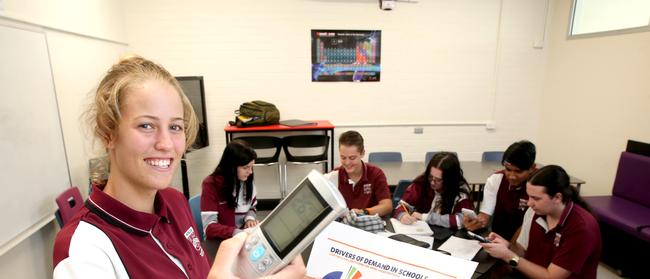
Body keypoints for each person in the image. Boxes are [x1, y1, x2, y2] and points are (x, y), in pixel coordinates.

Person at [53, 56, 304, 279]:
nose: (166, 144)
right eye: (146, 126)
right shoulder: (85, 250)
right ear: (108, 133)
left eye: (175, 127)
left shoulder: (174, 201)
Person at [480, 165, 601, 279]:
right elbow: (521, 251)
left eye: (536, 198)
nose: (529, 203)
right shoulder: (535, 212)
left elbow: (551, 276)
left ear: (557, 198)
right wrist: (506, 245)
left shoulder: (581, 229)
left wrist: (507, 255)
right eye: (529, 196)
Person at [463, 140, 536, 241]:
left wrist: (511, 247)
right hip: (498, 239)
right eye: (508, 169)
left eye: (518, 171)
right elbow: (485, 215)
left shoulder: (539, 187)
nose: (512, 176)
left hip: (528, 243)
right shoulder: (496, 180)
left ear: (532, 168)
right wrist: (476, 222)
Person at [394, 152, 474, 229]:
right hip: (421, 232)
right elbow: (401, 206)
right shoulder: (422, 182)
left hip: (448, 236)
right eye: (430, 177)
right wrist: (402, 215)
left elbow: (462, 220)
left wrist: (425, 217)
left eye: (438, 180)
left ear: (449, 180)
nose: (432, 182)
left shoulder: (461, 190)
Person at [201, 139, 259, 243]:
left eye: (252, 167)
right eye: (246, 167)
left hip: (243, 238)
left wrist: (249, 219)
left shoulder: (246, 179)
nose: (250, 172)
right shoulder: (211, 185)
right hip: (221, 241)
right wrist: (237, 232)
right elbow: (209, 228)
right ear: (231, 167)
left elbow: (252, 207)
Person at [324, 130, 392, 217]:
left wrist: (364, 212)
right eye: (343, 157)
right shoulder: (333, 176)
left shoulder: (376, 174)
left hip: (369, 224)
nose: (347, 163)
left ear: (362, 153)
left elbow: (387, 206)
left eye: (352, 158)